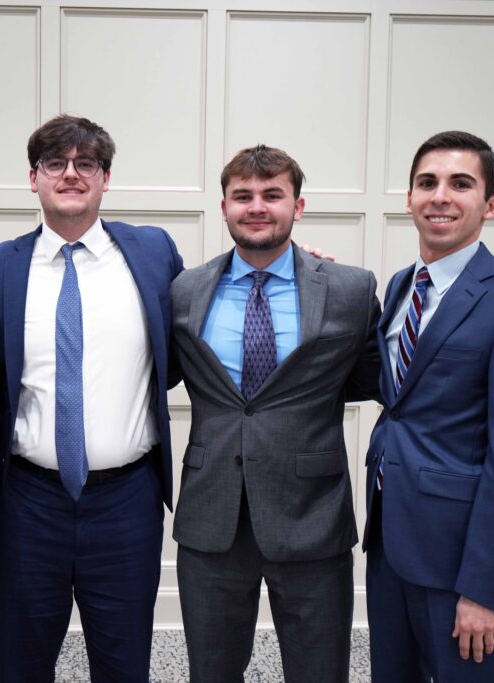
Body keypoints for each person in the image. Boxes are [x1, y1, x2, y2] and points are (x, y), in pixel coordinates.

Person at [0, 114, 184, 683]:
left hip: (125, 503)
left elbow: (198, 325)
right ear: (33, 177)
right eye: (55, 163)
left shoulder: (152, 253)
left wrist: (292, 263)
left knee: (124, 667)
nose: (71, 174)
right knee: (21, 665)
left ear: (105, 177)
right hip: (26, 503)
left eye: (85, 163)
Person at [171, 144, 381, 682]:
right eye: (243, 196)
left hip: (312, 514)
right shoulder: (184, 290)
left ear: (298, 205)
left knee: (319, 672)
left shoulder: (349, 290)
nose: (257, 206)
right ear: (224, 208)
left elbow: (368, 379)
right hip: (212, 515)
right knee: (211, 672)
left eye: (272, 195)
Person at [363, 130, 494, 682]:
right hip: (389, 543)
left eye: (461, 184)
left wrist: (486, 588)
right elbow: (394, 394)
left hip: (459, 563)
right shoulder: (405, 285)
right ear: (409, 198)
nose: (440, 196)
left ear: (490, 204)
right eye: (427, 183)